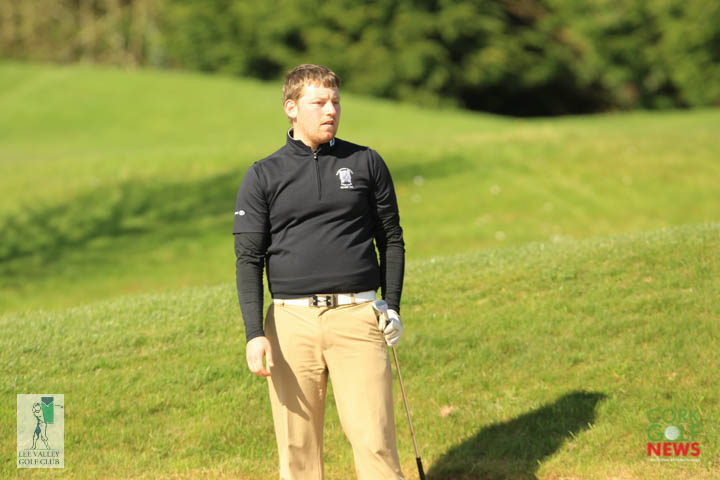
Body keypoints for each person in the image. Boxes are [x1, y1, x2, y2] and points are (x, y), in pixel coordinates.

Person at [233, 63, 406, 480]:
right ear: (291, 108)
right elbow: (248, 259)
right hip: (290, 323)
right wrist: (254, 333)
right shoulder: (263, 174)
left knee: (376, 441)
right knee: (298, 452)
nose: (330, 110)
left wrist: (392, 305)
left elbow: (391, 240)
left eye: (335, 102)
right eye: (319, 103)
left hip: (358, 317)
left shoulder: (365, 162)